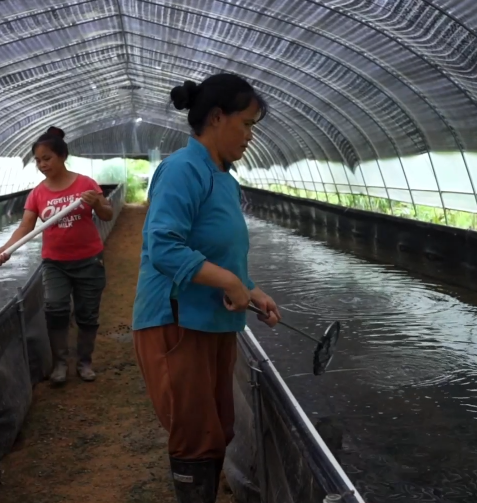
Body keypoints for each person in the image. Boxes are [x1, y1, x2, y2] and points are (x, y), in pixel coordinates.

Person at [131, 73, 282, 503]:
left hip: (213, 320)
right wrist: (230, 281)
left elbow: (220, 251)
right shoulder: (182, 169)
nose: (251, 136)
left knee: (219, 428)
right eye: (247, 123)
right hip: (177, 321)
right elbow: (163, 245)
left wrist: (251, 290)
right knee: (197, 435)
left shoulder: (224, 179)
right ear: (217, 117)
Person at [0, 126, 113, 385]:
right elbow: (26, 227)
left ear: (62, 157)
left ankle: (84, 362)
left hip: (88, 260)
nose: (42, 164)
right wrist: (7, 249)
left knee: (87, 313)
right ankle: (60, 363)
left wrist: (95, 203)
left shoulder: (85, 184)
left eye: (46, 158)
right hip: (55, 263)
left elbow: (107, 214)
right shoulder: (38, 193)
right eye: (37, 160)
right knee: (55, 308)